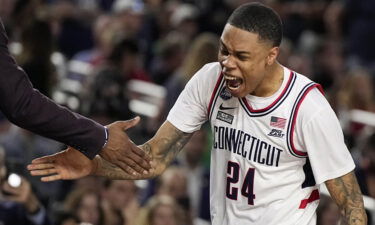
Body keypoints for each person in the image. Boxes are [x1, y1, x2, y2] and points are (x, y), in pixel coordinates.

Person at [28, 3, 367, 225]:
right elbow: (156, 158)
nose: (227, 63)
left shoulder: (308, 107)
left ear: (270, 56)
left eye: (241, 56)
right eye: (224, 50)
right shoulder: (210, 79)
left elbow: (351, 205)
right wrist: (94, 165)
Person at [0, 18, 151, 175]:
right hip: (31, 135)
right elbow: (22, 104)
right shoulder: (105, 75)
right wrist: (102, 137)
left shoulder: (107, 73)